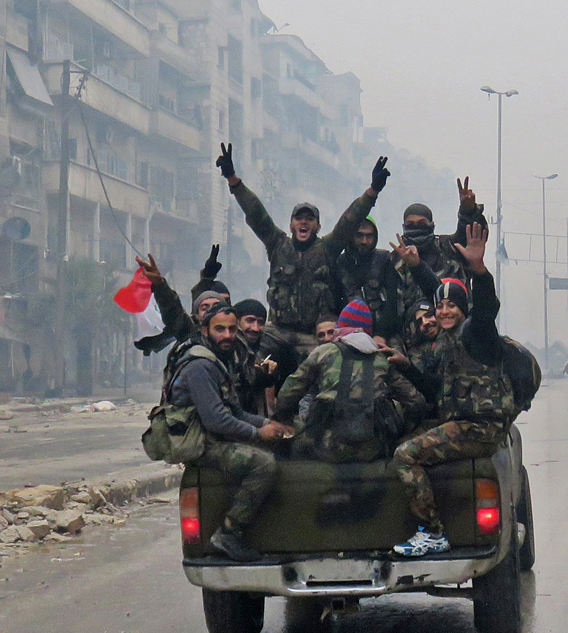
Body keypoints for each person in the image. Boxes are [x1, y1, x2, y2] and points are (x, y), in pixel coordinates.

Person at [386, 185, 514, 557]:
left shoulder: (476, 334)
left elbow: (485, 307)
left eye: (451, 308)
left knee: (405, 456)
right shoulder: (444, 341)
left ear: (464, 310)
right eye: (439, 308)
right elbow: (432, 387)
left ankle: (432, 531)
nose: (442, 312)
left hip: (479, 426)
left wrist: (478, 268)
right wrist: (405, 366)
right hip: (458, 420)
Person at [216, 142, 389, 373]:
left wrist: (372, 192)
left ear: (317, 226)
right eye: (299, 218)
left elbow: (350, 220)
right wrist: (233, 180)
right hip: (278, 331)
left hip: (314, 333)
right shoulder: (278, 244)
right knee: (245, 354)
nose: (304, 222)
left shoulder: (327, 248)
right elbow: (256, 213)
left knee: (331, 367)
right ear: (291, 224)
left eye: (309, 219)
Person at [167, 306, 293, 561]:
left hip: (215, 437)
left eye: (232, 330)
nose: (227, 335)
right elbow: (217, 420)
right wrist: (258, 434)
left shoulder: (219, 361)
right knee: (263, 464)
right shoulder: (200, 365)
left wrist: (270, 425)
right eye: (220, 329)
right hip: (202, 444)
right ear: (205, 330)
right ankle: (229, 531)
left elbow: (235, 411)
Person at [273, 299, 425, 463]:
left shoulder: (323, 352)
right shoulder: (382, 357)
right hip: (374, 448)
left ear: (341, 328)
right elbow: (416, 402)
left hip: (326, 446)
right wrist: (402, 432)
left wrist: (288, 422)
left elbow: (286, 396)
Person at [393, 179, 489, 318]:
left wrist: (468, 212)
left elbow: (471, 234)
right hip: (413, 332)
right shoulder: (395, 259)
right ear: (404, 227)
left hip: (454, 327)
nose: (416, 227)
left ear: (431, 225)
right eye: (411, 224)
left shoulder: (449, 248)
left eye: (422, 223)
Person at [335, 217, 401, 340]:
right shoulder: (340, 263)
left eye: (369, 236)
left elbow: (393, 300)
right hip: (347, 333)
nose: (364, 241)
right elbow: (334, 302)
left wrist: (381, 334)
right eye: (359, 235)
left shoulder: (384, 260)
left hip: (383, 333)